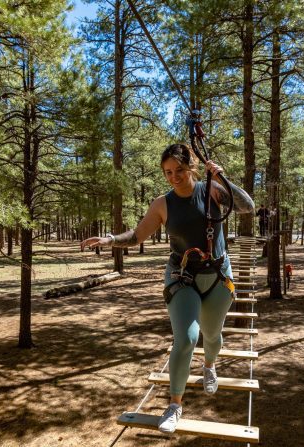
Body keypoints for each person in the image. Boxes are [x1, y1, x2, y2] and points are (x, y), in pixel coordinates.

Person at [81, 143, 254, 433]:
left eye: (179, 170)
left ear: (192, 168)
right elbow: (137, 235)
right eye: (168, 172)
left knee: (212, 335)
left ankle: (209, 366)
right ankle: (175, 405)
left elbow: (247, 206)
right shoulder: (163, 204)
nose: (174, 177)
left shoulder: (212, 190)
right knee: (186, 339)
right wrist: (110, 239)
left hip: (218, 275)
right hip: (181, 276)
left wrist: (222, 178)